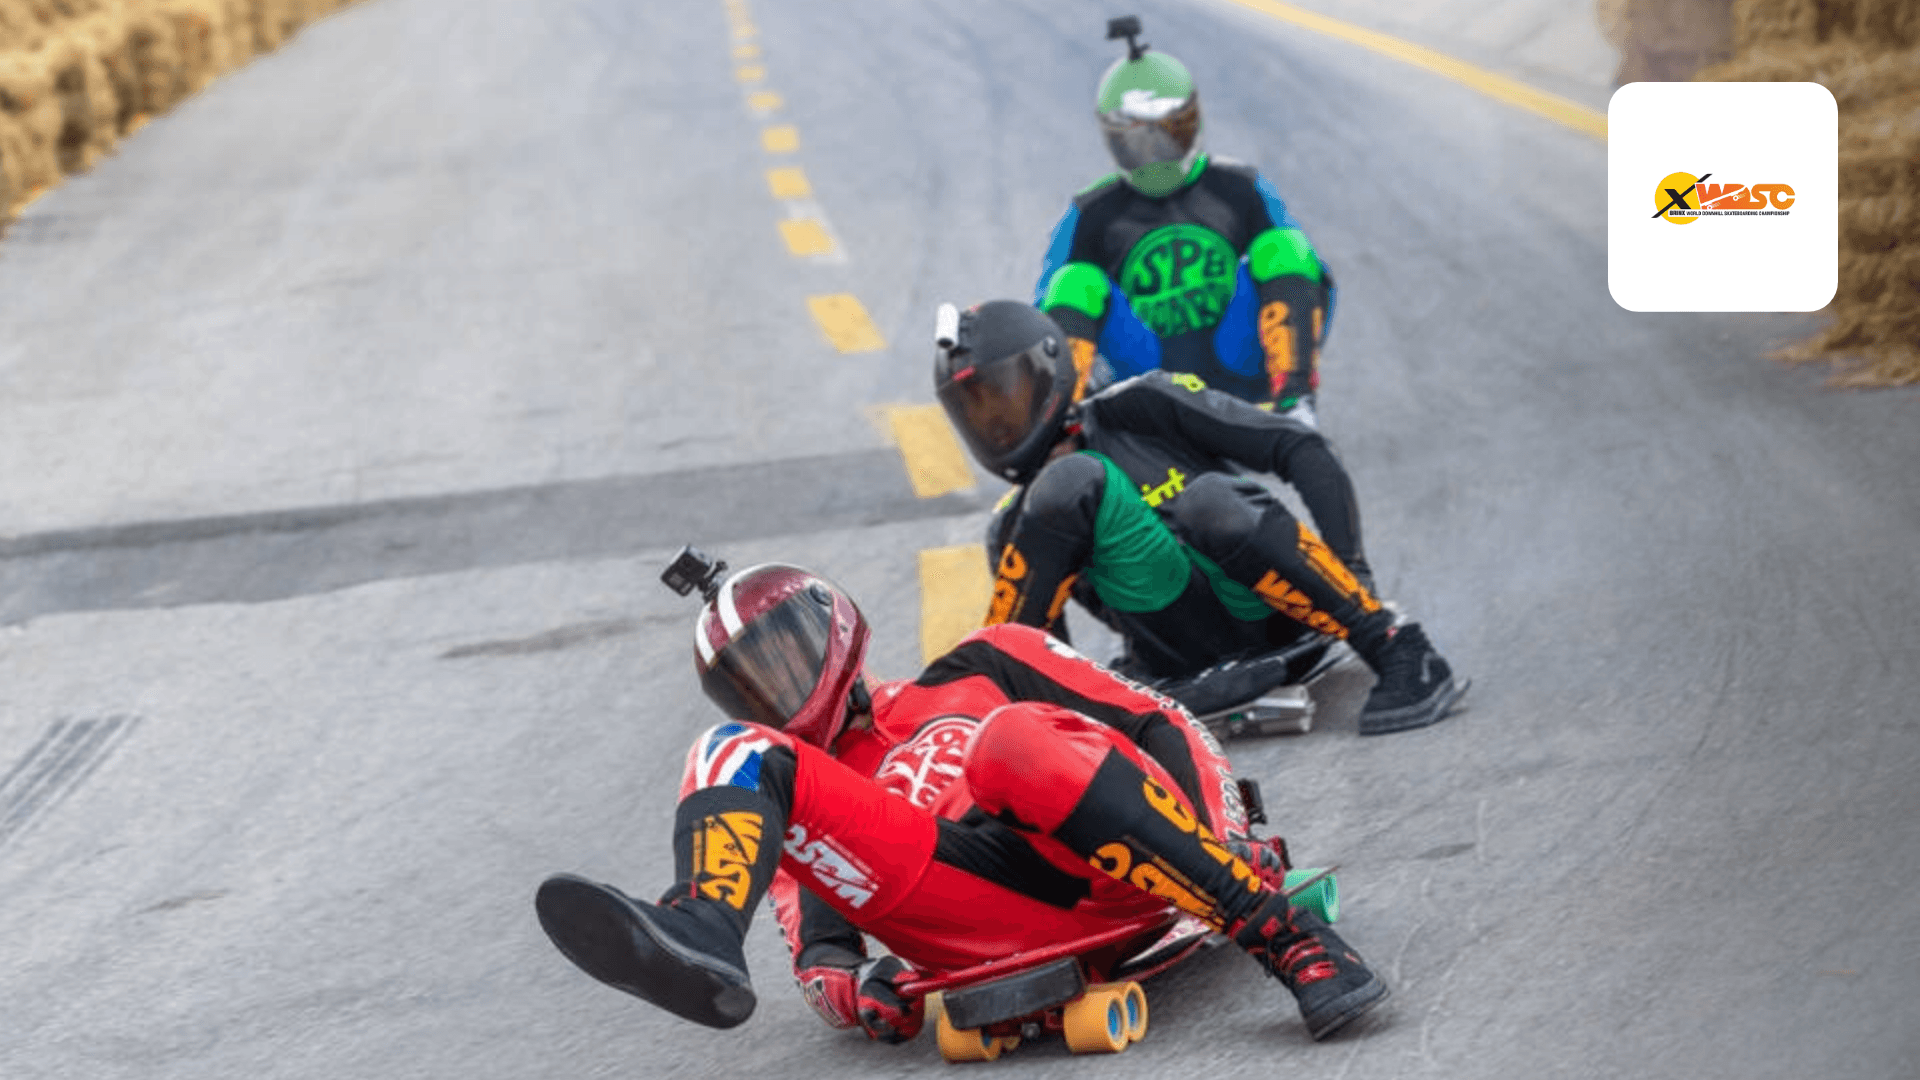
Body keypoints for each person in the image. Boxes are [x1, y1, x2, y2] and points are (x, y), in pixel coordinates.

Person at [535, 558, 1390, 1044]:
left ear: (834, 628)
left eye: (784, 656)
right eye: (749, 683)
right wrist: (858, 991)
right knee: (724, 754)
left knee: (1008, 741)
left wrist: (1221, 835)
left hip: (1117, 861)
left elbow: (1160, 723)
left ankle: (1289, 938)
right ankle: (700, 928)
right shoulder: (799, 793)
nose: (776, 689)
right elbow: (819, 950)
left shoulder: (988, 660)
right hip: (972, 912)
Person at [935, 300, 1465, 736]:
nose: (995, 423)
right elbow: (1047, 654)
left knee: (1206, 500)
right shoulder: (1017, 528)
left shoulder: (1141, 404)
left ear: (1050, 371)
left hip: (1276, 608)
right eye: (974, 410)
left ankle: (1396, 646)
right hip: (1173, 659)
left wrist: (1353, 575)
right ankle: (1036, 735)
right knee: (1060, 489)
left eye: (1003, 396)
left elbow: (1300, 448)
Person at [1036, 16, 1333, 421]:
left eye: (1168, 133)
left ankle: (1295, 400)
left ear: (1194, 120)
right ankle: (1063, 423)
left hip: (1236, 361)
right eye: (1138, 141)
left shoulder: (1239, 187)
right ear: (1113, 139)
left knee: (1285, 248)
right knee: (1073, 281)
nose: (1155, 155)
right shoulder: (1091, 213)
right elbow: (1043, 313)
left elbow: (1311, 279)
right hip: (1143, 377)